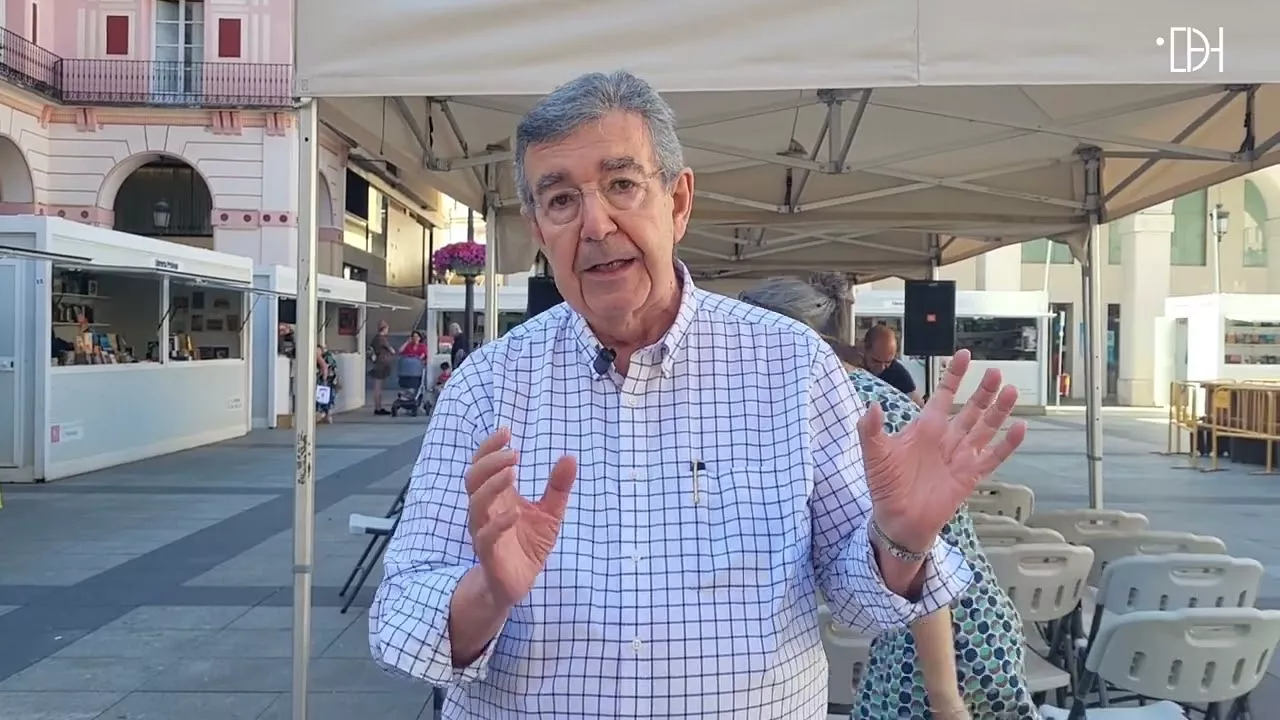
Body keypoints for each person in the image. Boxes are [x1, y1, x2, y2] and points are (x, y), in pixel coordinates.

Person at [370, 70, 1027, 719]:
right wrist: (488, 591)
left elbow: (861, 603)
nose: (594, 224)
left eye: (622, 184)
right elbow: (400, 620)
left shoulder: (791, 365)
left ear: (678, 202)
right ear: (539, 230)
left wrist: (901, 539)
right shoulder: (487, 387)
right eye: (561, 199)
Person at [740, 275, 1039, 720]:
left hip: (940, 646)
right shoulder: (868, 393)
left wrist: (945, 698)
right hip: (976, 626)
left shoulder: (848, 409)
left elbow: (921, 555)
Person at [864, 324, 925, 405]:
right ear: (864, 348)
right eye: (876, 361)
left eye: (887, 362)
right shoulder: (849, 365)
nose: (882, 368)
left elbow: (917, 406)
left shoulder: (900, 376)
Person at [369, 321, 395, 416]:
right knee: (378, 387)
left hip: (377, 364)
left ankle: (378, 406)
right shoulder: (382, 339)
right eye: (387, 329)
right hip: (381, 365)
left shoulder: (374, 339)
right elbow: (392, 350)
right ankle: (378, 407)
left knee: (377, 387)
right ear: (384, 329)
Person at [316, 344, 339, 424]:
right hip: (332, 378)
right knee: (330, 396)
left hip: (328, 377)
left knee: (323, 396)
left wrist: (324, 379)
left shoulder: (318, 355)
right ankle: (328, 415)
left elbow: (324, 367)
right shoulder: (329, 356)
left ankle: (324, 414)